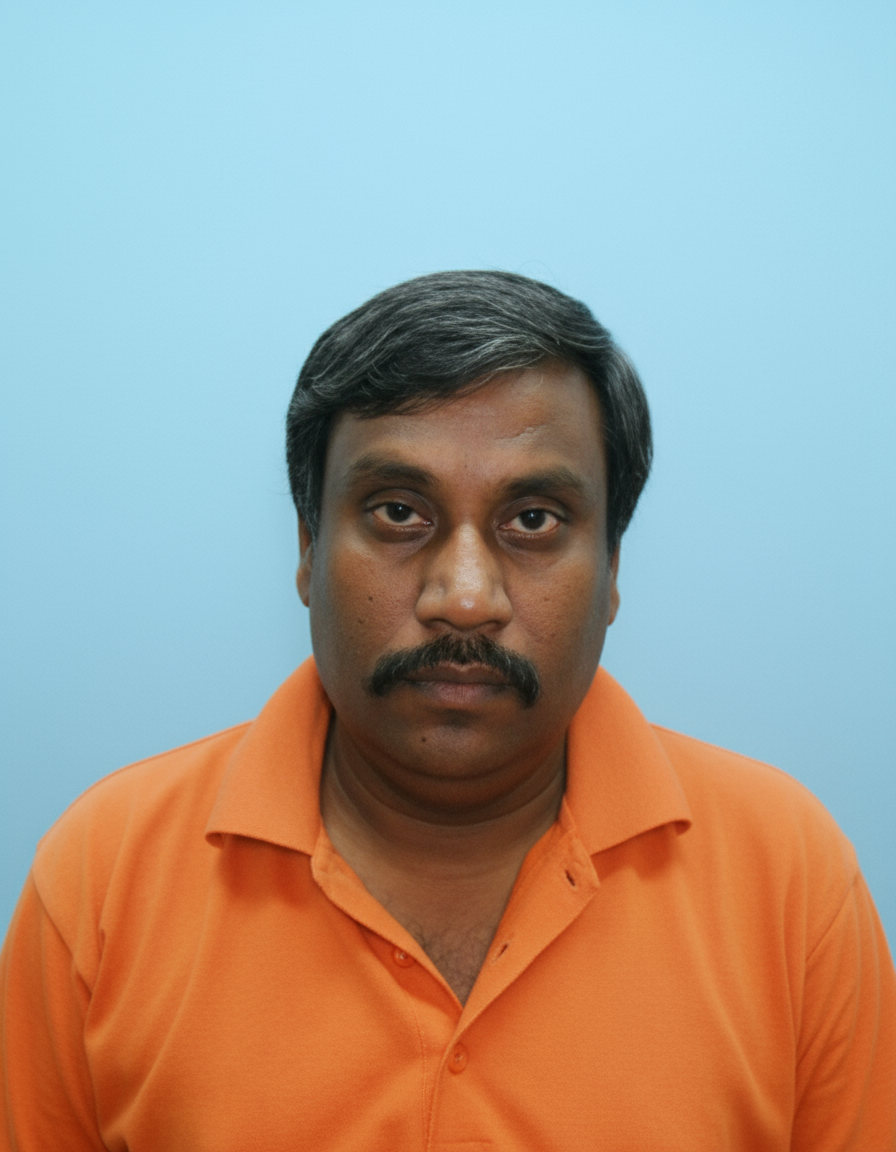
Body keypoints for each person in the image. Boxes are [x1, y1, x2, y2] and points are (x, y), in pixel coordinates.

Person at [1, 271, 893, 1151]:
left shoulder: (789, 880)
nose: (465, 598)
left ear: (614, 566)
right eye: (399, 512)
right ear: (308, 547)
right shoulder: (103, 878)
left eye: (533, 520)